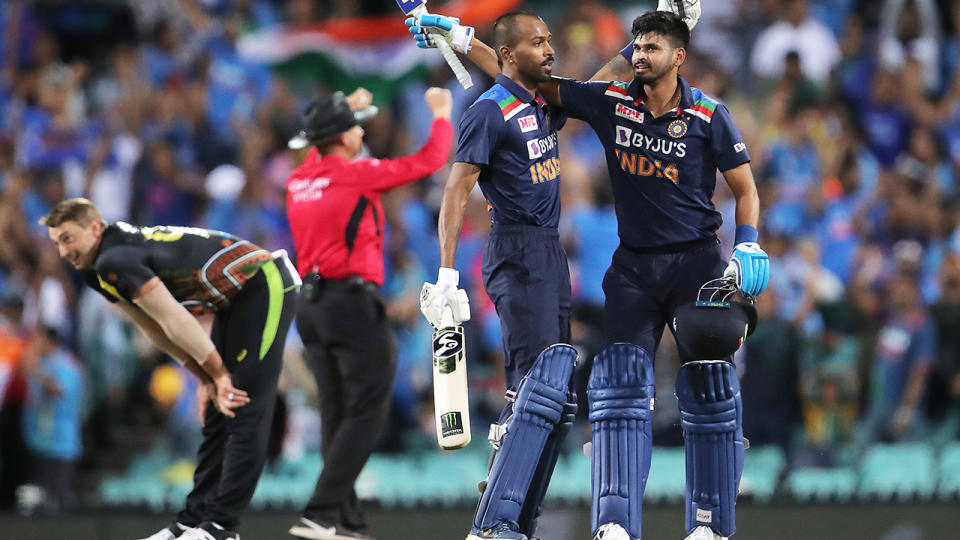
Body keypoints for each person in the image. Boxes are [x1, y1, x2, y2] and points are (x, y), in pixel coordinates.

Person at [410, 4, 769, 540]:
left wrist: (748, 243)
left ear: (678, 54)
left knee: (693, 374)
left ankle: (708, 524)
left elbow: (744, 186)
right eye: (637, 47)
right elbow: (520, 85)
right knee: (593, 387)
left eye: (653, 46)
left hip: (685, 260)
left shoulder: (706, 114)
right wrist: (462, 40)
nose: (641, 55)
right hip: (597, 262)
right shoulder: (593, 103)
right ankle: (587, 522)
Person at [41, 198, 299, 540]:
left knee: (242, 404)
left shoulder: (114, 259)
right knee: (219, 413)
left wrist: (218, 375)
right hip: (233, 299)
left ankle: (222, 527)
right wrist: (204, 377)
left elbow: (173, 318)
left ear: (95, 228)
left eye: (68, 238)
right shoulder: (97, 268)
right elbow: (150, 326)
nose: (63, 251)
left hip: (264, 283)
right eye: (56, 242)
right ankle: (193, 521)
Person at [414, 11, 580, 540]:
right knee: (530, 393)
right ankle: (493, 524)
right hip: (516, 249)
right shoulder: (486, 112)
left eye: (550, 39)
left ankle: (519, 524)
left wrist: (460, 37)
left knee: (556, 398)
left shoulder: (537, 99)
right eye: (538, 42)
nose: (550, 49)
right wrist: (445, 274)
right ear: (513, 52)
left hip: (549, 252)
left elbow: (507, 68)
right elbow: (456, 189)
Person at [284, 86, 454, 540]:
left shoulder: (298, 179)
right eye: (356, 127)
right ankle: (320, 512)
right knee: (368, 410)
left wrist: (346, 109)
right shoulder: (356, 175)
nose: (361, 131)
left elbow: (318, 148)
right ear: (343, 137)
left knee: (336, 414)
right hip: (349, 303)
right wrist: (440, 115)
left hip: (310, 305)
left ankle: (344, 521)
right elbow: (428, 162)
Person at [20, 325, 85, 512]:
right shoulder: (45, 363)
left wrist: (36, 372)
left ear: (49, 341)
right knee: (41, 497)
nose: (33, 344)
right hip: (43, 440)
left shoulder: (66, 364)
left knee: (58, 499)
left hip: (62, 443)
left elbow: (60, 390)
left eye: (37, 339)